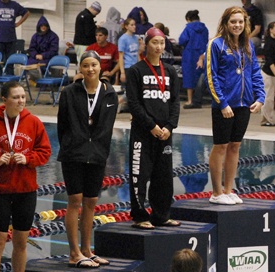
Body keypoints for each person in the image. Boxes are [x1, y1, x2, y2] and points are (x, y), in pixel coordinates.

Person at [57, 50, 118, 268]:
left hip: (98, 155)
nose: (90, 69)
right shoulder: (70, 92)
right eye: (85, 66)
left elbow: (108, 127)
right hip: (74, 154)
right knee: (75, 201)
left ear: (100, 67)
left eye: (93, 65)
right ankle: (74, 253)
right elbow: (62, 126)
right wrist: (73, 144)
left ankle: (87, 250)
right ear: (80, 69)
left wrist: (100, 149)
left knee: (91, 202)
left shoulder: (110, 94)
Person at [0, 81, 51, 272]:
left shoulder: (34, 122)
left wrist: (28, 158)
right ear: (4, 100)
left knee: (21, 243)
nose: (21, 101)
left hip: (26, 191)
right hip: (0, 191)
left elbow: (45, 152)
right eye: (15, 97)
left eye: (23, 97)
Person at [204, 6, 265, 205]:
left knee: (235, 146)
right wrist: (222, 103)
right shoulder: (216, 44)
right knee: (220, 146)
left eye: (240, 22)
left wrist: (260, 97)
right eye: (233, 22)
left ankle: (229, 190)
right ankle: (216, 192)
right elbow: (211, 77)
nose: (237, 25)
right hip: (225, 105)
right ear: (225, 23)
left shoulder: (247, 44)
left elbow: (255, 71)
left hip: (244, 104)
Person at [126, 27, 181, 229]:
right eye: (154, 43)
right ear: (146, 44)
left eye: (161, 43)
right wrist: (151, 126)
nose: (158, 47)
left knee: (164, 177)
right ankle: (140, 216)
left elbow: (175, 102)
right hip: (143, 132)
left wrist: (169, 126)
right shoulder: (136, 71)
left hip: (165, 133)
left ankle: (161, 215)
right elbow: (134, 104)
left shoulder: (170, 71)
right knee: (139, 176)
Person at [179, 10, 209, 109]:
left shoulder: (188, 28)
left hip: (189, 54)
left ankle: (190, 100)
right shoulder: (205, 29)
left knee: (189, 77)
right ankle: (198, 98)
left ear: (188, 19)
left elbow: (182, 40)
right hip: (202, 55)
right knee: (200, 77)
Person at [26, 16, 59, 81]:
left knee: (42, 65)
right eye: (42, 25)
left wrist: (43, 55)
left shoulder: (53, 36)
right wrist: (35, 55)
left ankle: (42, 81)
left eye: (45, 25)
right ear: (39, 27)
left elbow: (53, 50)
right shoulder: (35, 36)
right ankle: (36, 80)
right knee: (28, 64)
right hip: (36, 57)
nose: (43, 27)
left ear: (47, 26)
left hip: (48, 57)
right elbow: (32, 48)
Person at [118, 18, 144, 85]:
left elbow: (137, 54)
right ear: (126, 27)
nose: (134, 26)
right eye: (131, 25)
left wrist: (141, 66)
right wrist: (122, 72)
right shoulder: (123, 39)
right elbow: (121, 56)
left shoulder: (135, 38)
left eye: (134, 25)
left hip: (136, 66)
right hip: (127, 67)